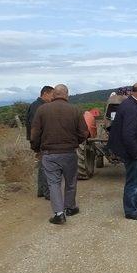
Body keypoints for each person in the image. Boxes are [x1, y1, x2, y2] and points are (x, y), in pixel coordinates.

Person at [30, 84, 88, 224]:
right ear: (67, 95)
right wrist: (75, 143)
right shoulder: (75, 110)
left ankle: (59, 214)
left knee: (54, 183)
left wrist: (36, 149)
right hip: (69, 153)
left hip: (49, 154)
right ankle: (70, 207)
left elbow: (35, 134)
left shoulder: (42, 110)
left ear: (54, 95)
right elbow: (84, 133)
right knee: (71, 181)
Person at [108, 82, 137, 221]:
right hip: (133, 153)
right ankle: (131, 211)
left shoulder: (132, 105)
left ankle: (136, 205)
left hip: (135, 151)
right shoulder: (131, 108)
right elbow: (128, 134)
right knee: (133, 182)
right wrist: (136, 153)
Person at [26, 86, 54, 200]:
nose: (53, 97)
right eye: (52, 95)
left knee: (42, 166)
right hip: (41, 141)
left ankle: (41, 191)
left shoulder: (37, 105)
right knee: (46, 167)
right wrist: (36, 146)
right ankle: (47, 193)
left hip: (40, 141)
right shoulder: (38, 107)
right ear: (45, 93)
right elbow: (34, 128)